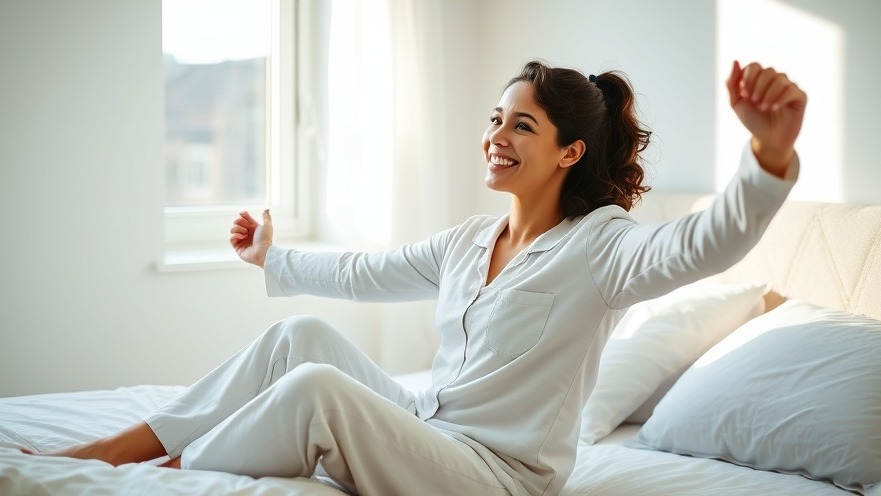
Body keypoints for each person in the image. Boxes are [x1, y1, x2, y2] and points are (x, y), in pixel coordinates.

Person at [26, 59, 806, 495]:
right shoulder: (474, 238)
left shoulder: (604, 249)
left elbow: (703, 243)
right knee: (300, 339)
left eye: (521, 126)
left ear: (569, 152)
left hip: (497, 475)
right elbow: (370, 270)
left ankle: (174, 472)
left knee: (317, 394)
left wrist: (767, 159)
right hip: (432, 427)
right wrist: (271, 254)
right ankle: (113, 451)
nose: (495, 137)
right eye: (495, 118)